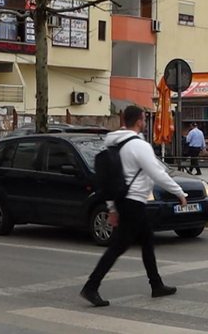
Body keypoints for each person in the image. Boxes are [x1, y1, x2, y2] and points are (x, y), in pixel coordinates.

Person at [80, 105, 188, 307]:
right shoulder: (139, 146)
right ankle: (91, 286)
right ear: (139, 120)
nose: (145, 121)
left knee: (147, 241)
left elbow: (112, 180)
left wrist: (112, 208)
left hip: (125, 200)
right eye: (144, 118)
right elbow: (157, 173)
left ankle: (156, 284)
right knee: (118, 247)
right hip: (133, 202)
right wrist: (179, 193)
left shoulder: (115, 145)